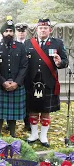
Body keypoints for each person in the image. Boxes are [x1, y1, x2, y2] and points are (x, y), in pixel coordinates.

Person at [25, 18, 68, 147]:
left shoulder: (57, 43)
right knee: (32, 109)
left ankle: (43, 136)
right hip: (31, 82)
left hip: (48, 82)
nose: (42, 30)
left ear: (50, 30)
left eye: (45, 28)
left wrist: (59, 62)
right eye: (40, 28)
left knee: (45, 110)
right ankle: (34, 134)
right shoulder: (28, 43)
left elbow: (65, 62)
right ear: (36, 30)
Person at [0, 17, 28, 137]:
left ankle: (13, 135)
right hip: (0, 85)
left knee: (12, 115)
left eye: (11, 31)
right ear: (2, 33)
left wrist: (17, 83)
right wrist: (3, 82)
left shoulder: (20, 47)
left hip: (16, 85)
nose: (9, 33)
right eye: (6, 31)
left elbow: (24, 66)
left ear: (13, 33)